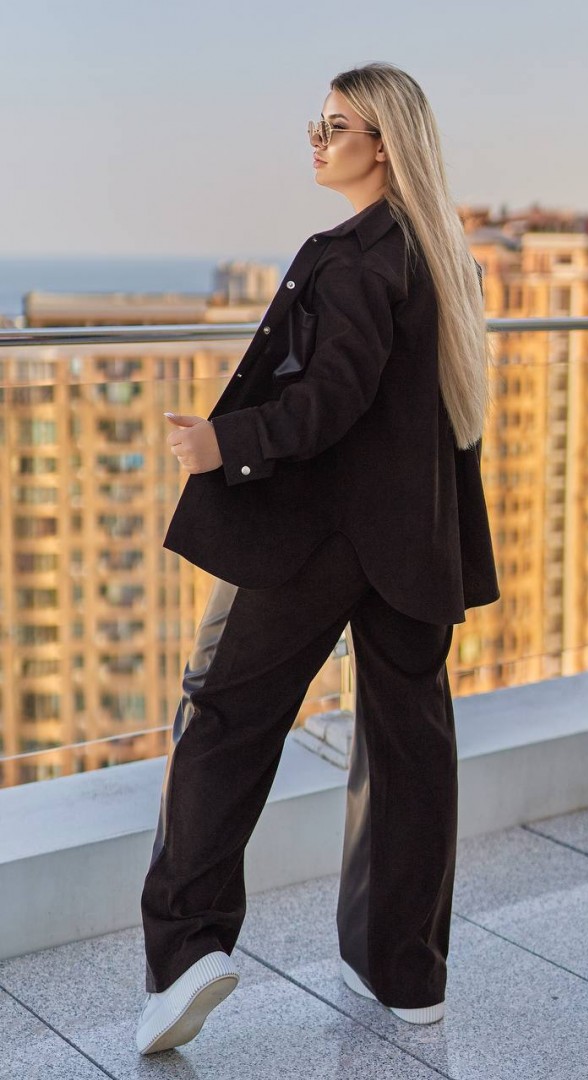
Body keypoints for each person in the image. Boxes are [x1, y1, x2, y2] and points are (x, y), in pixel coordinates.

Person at [135, 60, 499, 1056]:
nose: (316, 139)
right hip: (416, 543)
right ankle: (405, 972)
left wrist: (224, 442)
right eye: (318, 122)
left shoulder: (350, 259)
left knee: (221, 715)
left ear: (384, 145)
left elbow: (331, 401)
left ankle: (186, 954)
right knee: (408, 743)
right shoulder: (441, 254)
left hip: (321, 538)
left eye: (335, 126)